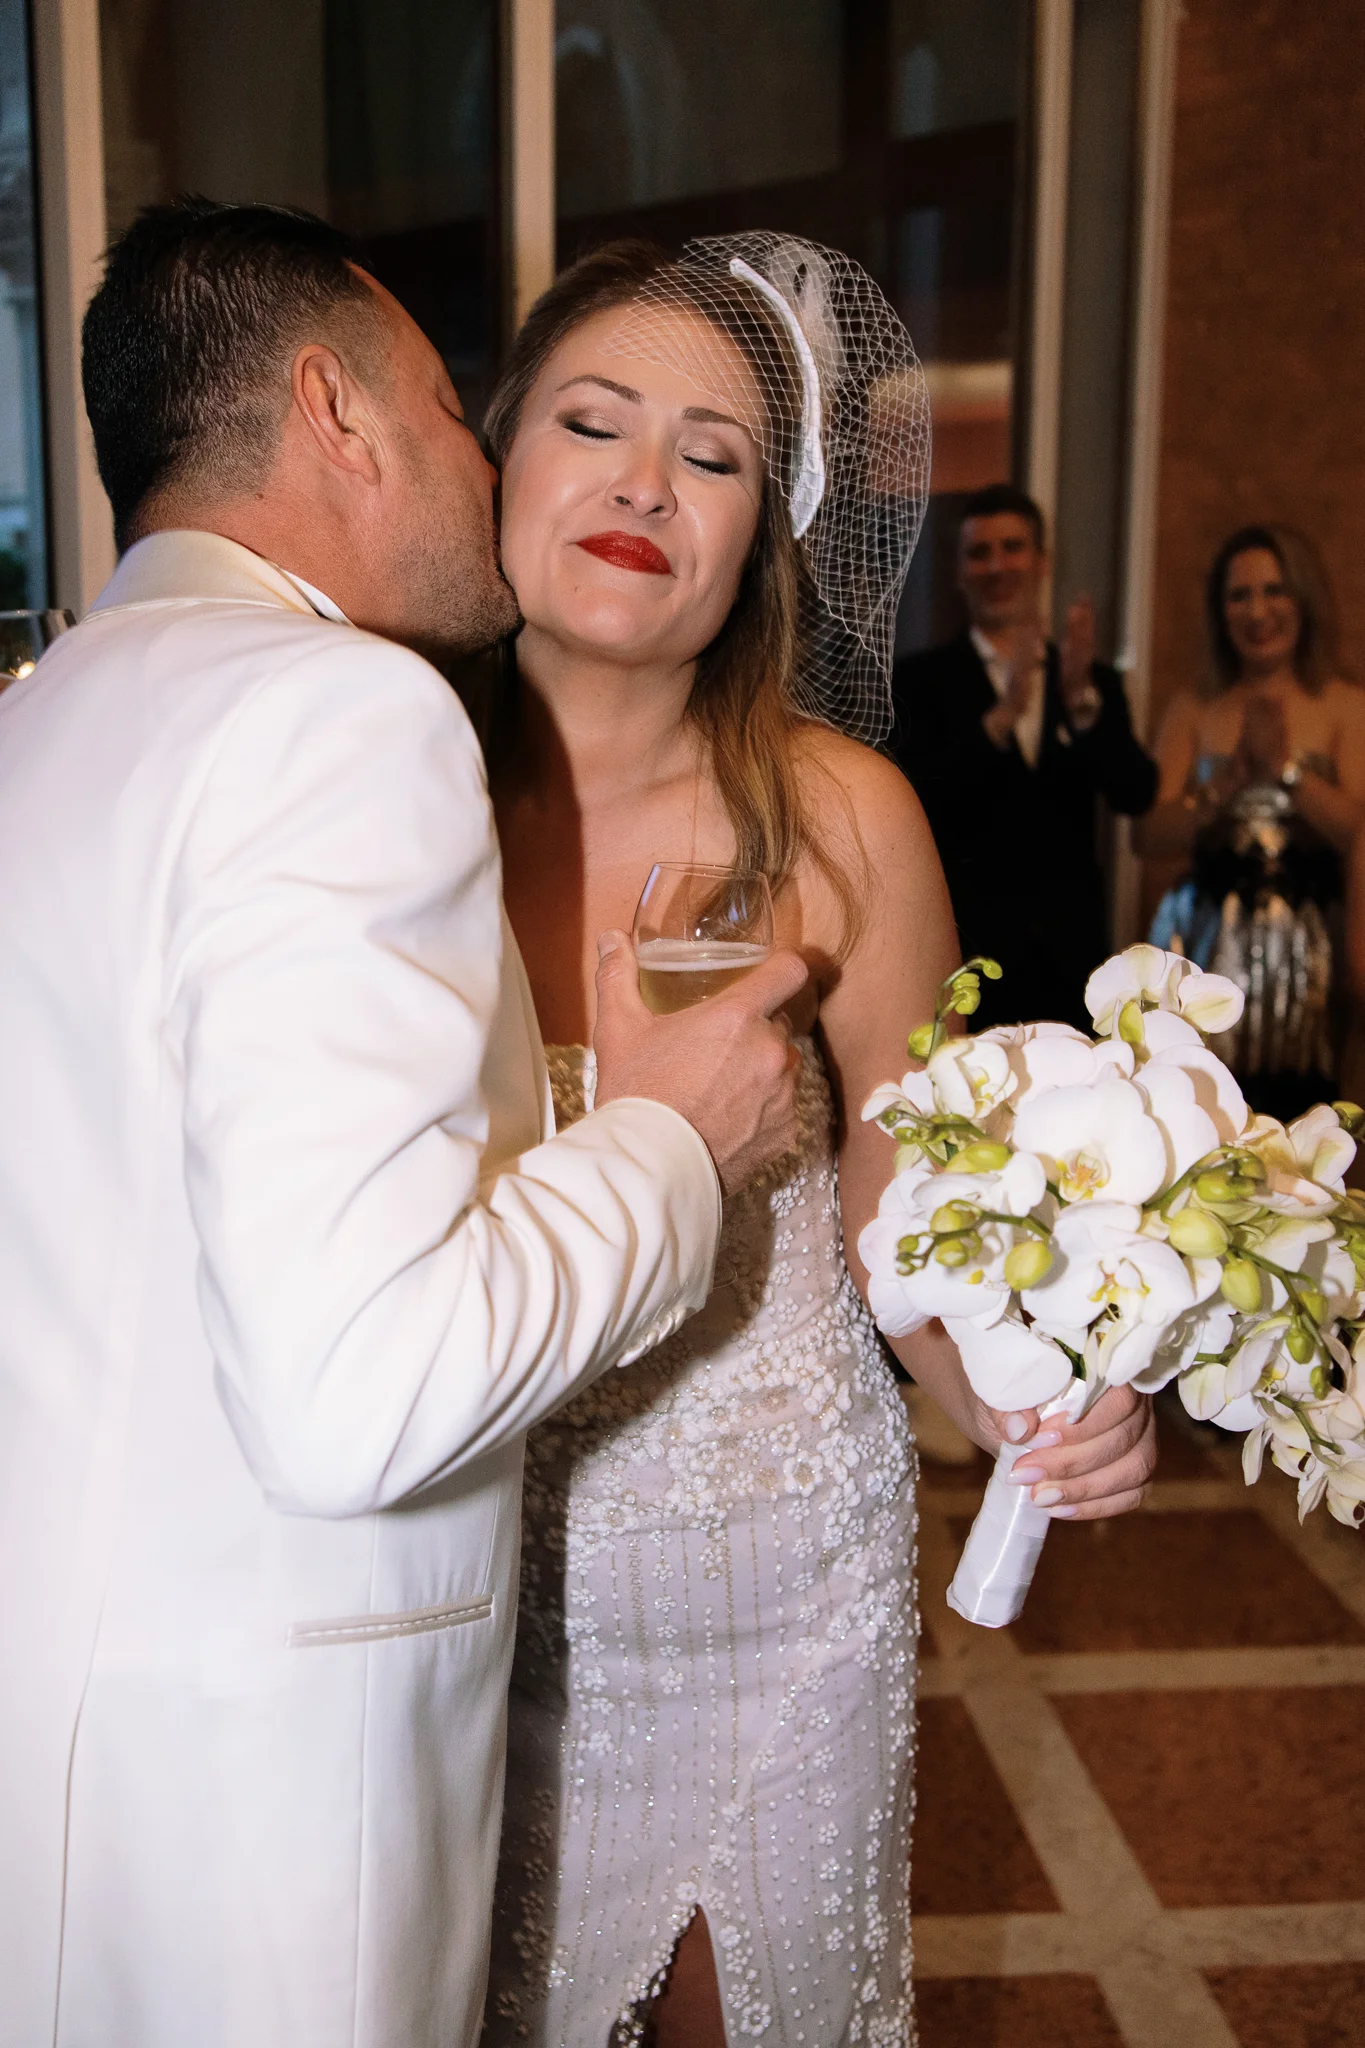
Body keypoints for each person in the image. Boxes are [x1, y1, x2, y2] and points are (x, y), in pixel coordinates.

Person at [0, 199, 812, 2048]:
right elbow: (354, 1382)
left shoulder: (41, 725)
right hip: (264, 1848)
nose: (478, 452)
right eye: (459, 406)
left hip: (68, 1766)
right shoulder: (338, 720)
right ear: (337, 413)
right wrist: (673, 1142)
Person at [478, 237, 1157, 2048]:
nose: (642, 481)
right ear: (501, 461)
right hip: (460, 1580)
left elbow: (905, 1218)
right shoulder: (384, 785)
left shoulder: (844, 810)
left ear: (766, 526)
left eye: (711, 455)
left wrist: (1037, 1395)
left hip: (779, 1580)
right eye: (595, 421)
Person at [889, 483, 1158, 1032]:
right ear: (959, 572)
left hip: (1076, 967)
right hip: (968, 964)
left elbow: (1136, 791)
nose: (997, 566)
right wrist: (1002, 716)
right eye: (978, 553)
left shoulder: (1090, 680)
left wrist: (1083, 705)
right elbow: (918, 800)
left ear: (1041, 562)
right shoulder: (920, 682)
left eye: (1012, 547)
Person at [1139, 524, 1365, 1121]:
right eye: (1240, 596)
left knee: (1304, 1121)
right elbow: (1148, 832)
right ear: (1221, 611)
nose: (1257, 610)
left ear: (1303, 601)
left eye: (1274, 591)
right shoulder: (1195, 706)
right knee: (1205, 1112)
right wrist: (1222, 791)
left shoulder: (1344, 704)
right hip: (1208, 943)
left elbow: (1356, 831)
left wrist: (1286, 769)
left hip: (1310, 955)